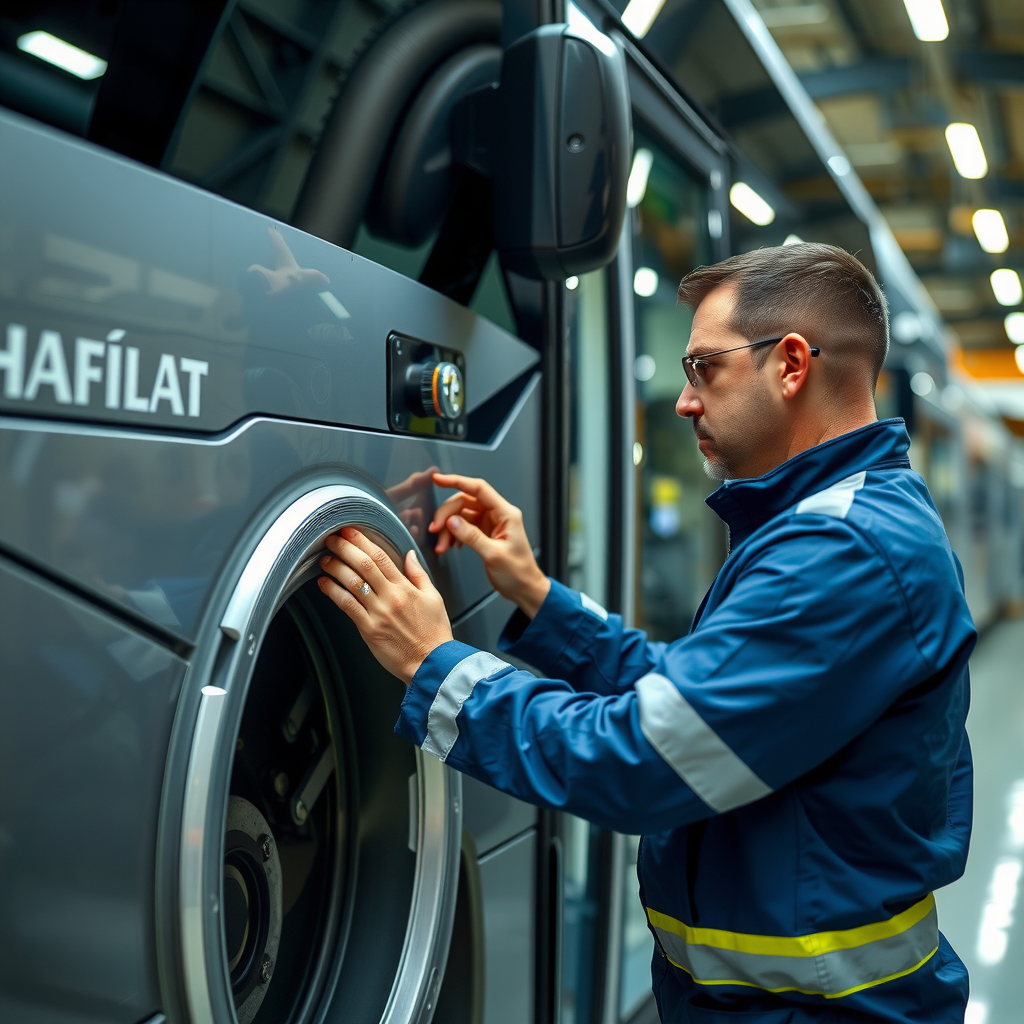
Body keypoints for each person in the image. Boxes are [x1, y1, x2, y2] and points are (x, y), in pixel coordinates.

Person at [316, 243, 975, 1024]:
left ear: (791, 364)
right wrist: (536, 594)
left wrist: (436, 664)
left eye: (703, 368)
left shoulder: (841, 550)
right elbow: (699, 706)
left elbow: (650, 756)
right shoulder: (823, 521)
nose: (684, 400)